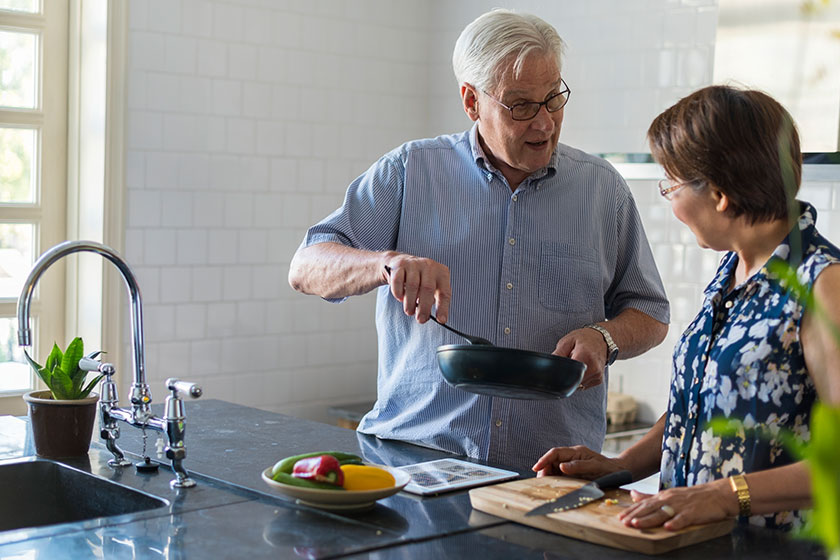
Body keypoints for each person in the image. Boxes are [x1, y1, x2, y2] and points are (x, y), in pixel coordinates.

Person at [288, 9, 670, 470]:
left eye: (554, 99)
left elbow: (650, 312)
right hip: (417, 466)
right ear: (472, 102)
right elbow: (306, 266)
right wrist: (383, 264)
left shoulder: (602, 189)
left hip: (550, 475)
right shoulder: (410, 170)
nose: (545, 123)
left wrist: (604, 336)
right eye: (522, 106)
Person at [533, 85, 840, 530]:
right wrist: (618, 466)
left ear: (718, 193)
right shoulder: (732, 272)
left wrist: (723, 496)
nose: (670, 202)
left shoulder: (823, 285)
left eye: (671, 186)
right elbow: (698, 407)